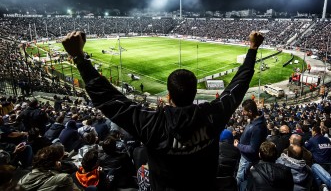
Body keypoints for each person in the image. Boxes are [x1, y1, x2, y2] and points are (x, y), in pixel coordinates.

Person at [62, 30, 264, 191]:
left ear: (168, 96)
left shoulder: (152, 123)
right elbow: (239, 85)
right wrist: (253, 49)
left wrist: (79, 57)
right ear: (195, 94)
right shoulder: (212, 115)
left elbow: (109, 100)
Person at [234, 99, 268, 190]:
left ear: (250, 111)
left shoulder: (257, 127)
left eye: (244, 111)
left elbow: (253, 149)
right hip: (245, 156)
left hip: (247, 159)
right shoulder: (255, 119)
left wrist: (238, 145)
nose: (243, 113)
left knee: (240, 180)